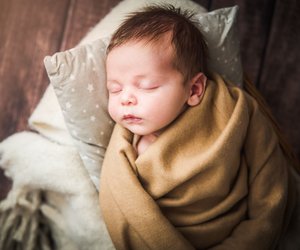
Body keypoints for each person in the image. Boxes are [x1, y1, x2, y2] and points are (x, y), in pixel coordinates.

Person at [99, 5, 297, 250]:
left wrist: (256, 234)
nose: (125, 98)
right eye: (114, 89)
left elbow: (269, 172)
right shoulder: (123, 147)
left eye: (147, 86)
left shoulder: (234, 110)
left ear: (193, 90)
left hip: (236, 224)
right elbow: (121, 204)